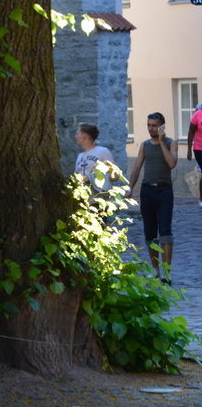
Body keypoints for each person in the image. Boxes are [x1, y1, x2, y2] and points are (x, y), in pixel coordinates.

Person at [127, 112, 177, 282]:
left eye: (154, 125)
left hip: (164, 191)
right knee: (149, 232)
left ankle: (167, 273)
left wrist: (162, 142)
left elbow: (171, 163)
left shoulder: (171, 143)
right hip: (147, 191)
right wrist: (130, 188)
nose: (151, 128)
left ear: (162, 126)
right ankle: (155, 270)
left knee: (165, 230)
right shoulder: (145, 145)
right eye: (149, 125)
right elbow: (136, 168)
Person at [73, 123, 118, 191]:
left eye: (77, 133)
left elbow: (114, 176)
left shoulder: (102, 151)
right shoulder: (80, 156)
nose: (75, 136)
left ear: (85, 136)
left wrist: (91, 178)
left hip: (99, 195)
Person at [186, 103, 202, 208]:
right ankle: (201, 198)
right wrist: (189, 150)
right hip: (199, 148)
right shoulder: (198, 114)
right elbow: (191, 132)